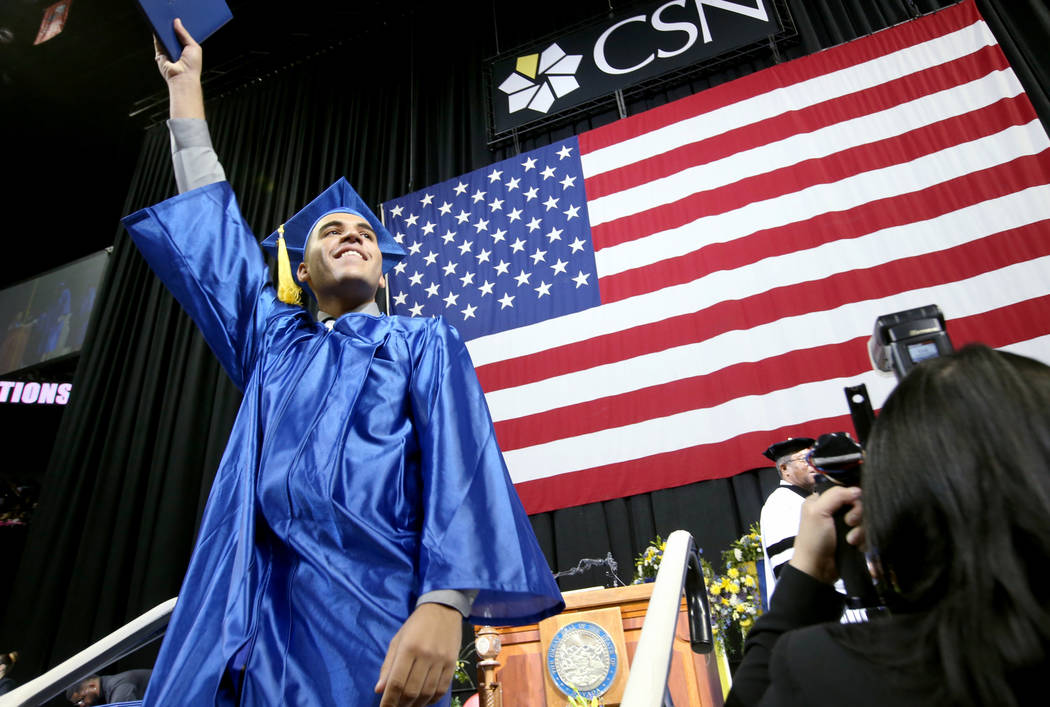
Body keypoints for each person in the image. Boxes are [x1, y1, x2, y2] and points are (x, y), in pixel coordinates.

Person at [120, 19, 563, 706]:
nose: (352, 236)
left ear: (383, 268)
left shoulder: (422, 341)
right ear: (301, 267)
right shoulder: (274, 341)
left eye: (364, 233)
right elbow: (213, 239)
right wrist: (186, 98)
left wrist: (445, 602)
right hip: (261, 618)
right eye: (332, 231)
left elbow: (463, 466)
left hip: (378, 619)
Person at [727, 344, 1050, 706]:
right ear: (783, 469)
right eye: (802, 460)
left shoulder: (829, 670)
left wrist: (809, 574)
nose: (810, 464)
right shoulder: (782, 503)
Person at [758, 437, 816, 593]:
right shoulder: (780, 504)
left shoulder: (817, 498)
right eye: (805, 459)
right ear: (784, 469)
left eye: (814, 457)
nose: (813, 465)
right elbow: (789, 571)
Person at [65, 670, 152, 706]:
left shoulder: (118, 686)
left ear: (92, 686)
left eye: (81, 700)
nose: (82, 705)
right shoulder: (112, 686)